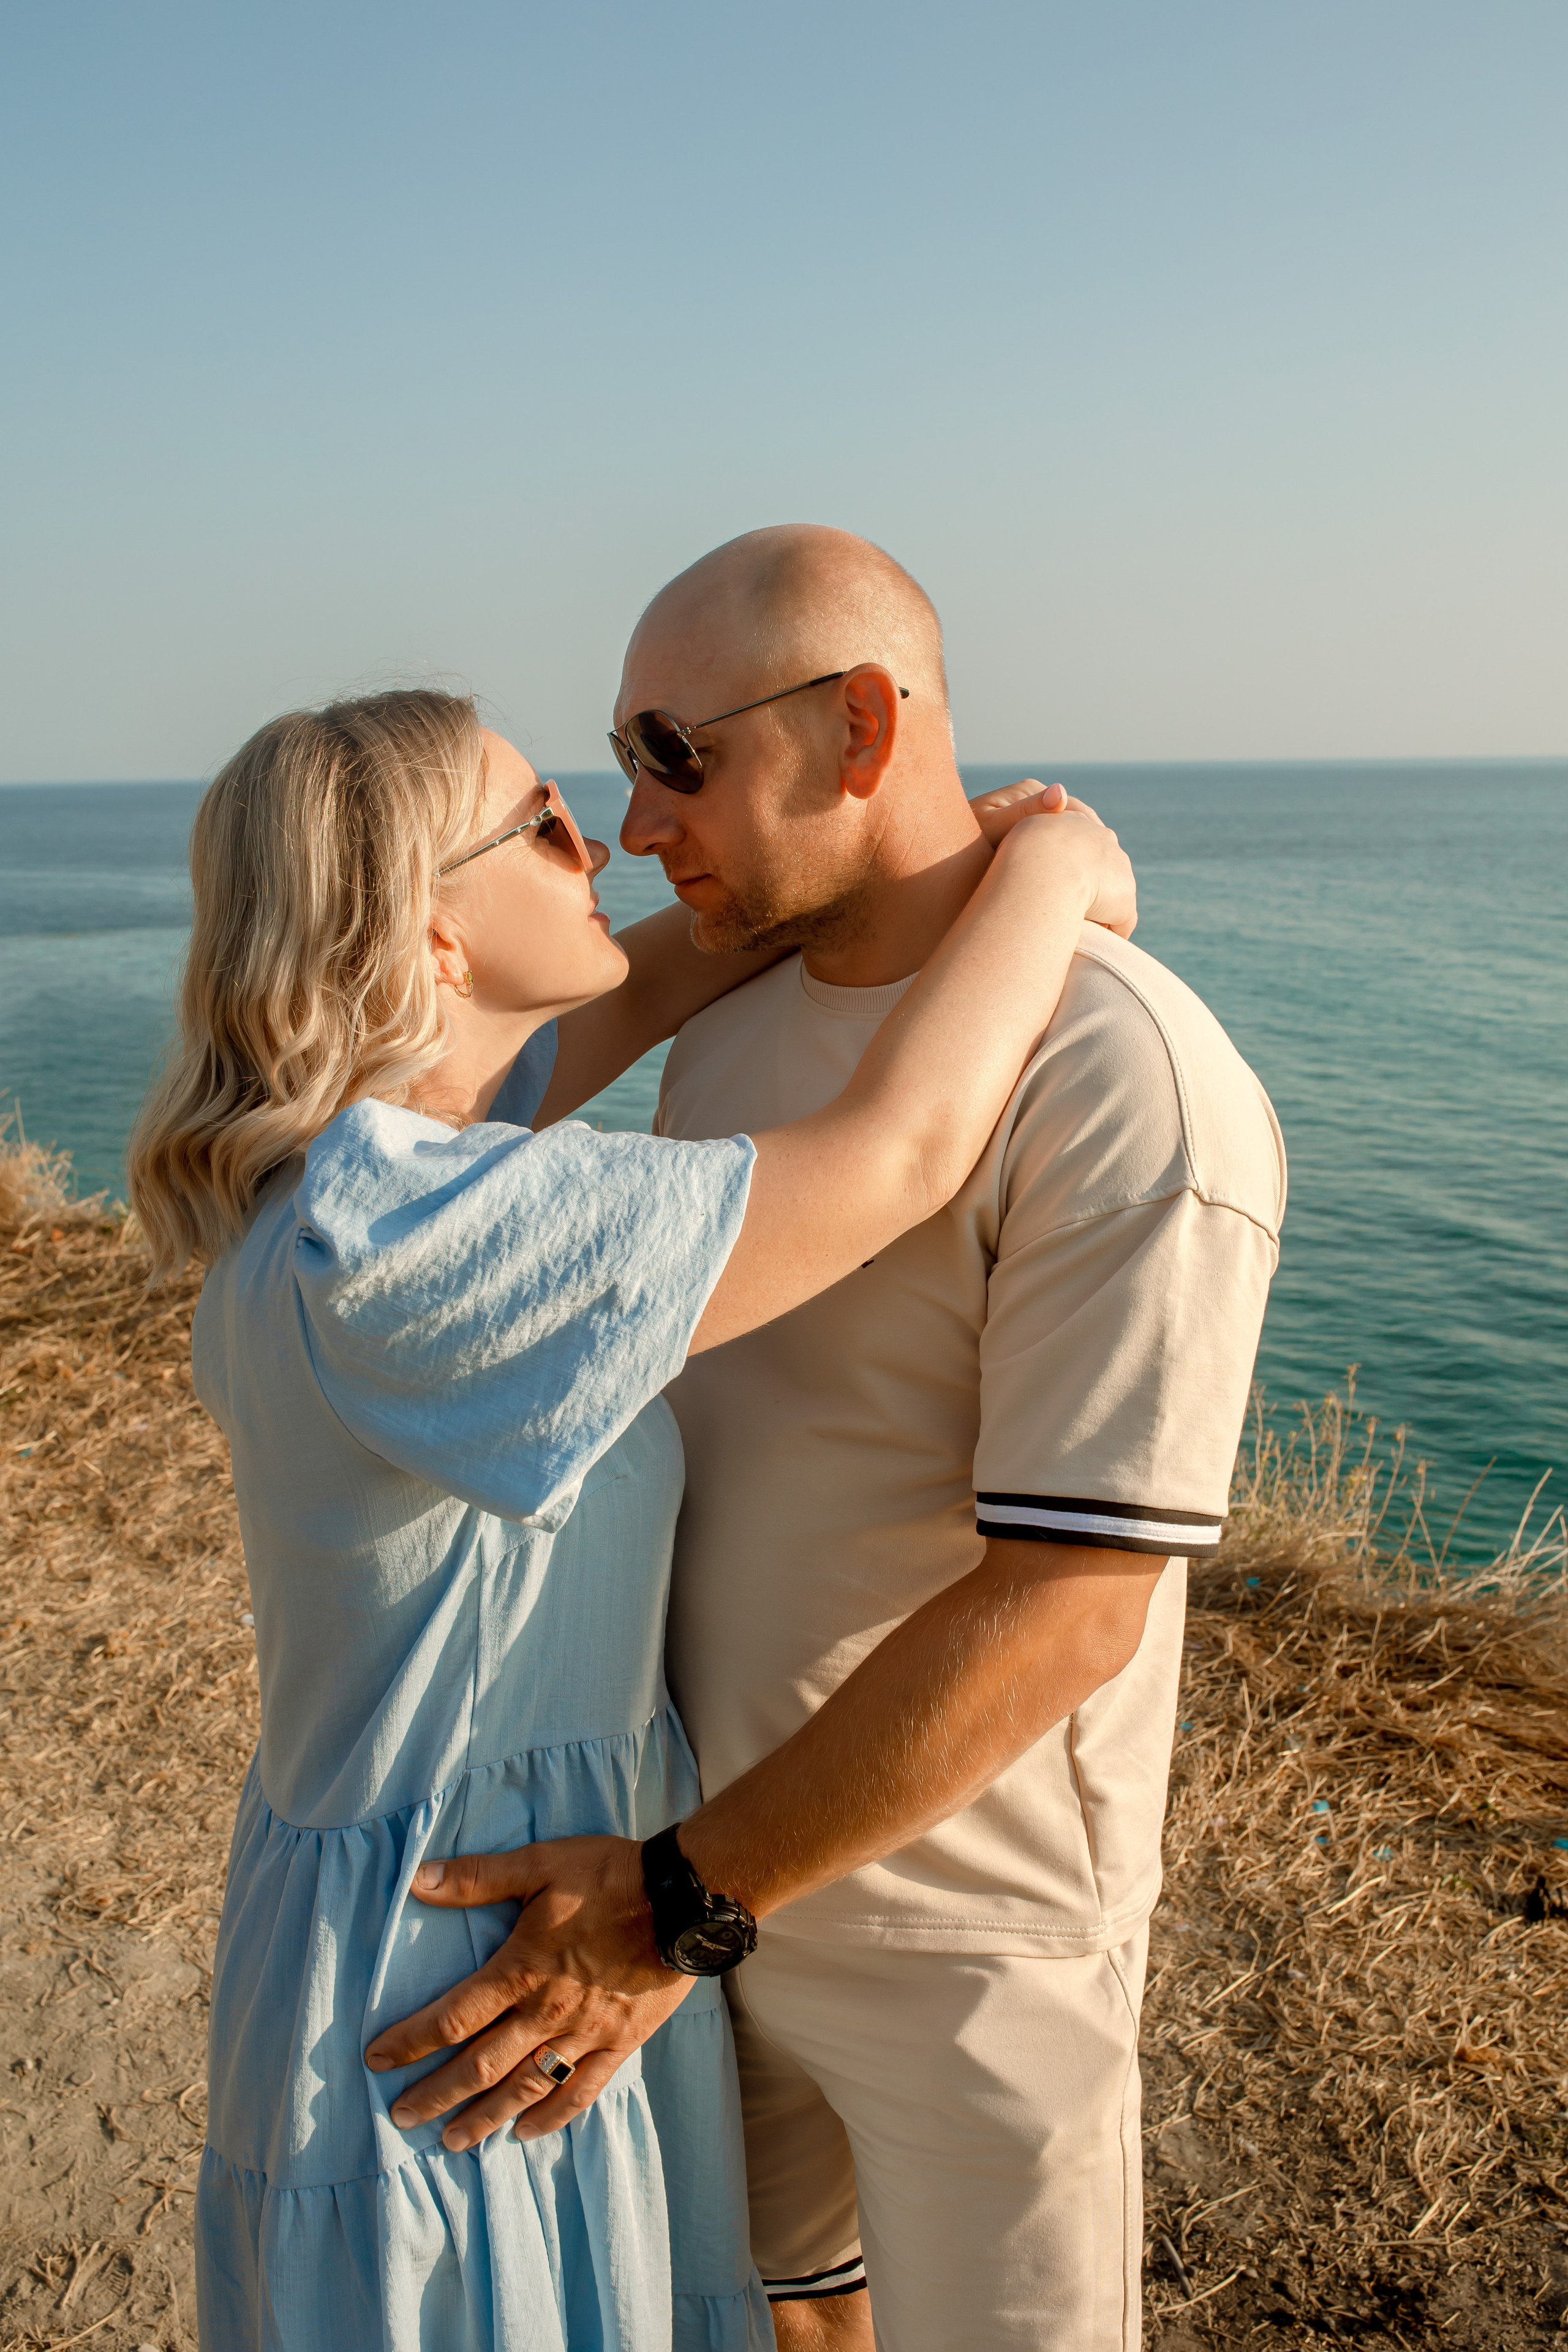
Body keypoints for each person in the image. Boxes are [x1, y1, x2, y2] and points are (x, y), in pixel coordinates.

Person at [126, 683, 1135, 2352]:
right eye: (541, 823)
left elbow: (663, 965)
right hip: (462, 1959)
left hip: (449, 1900)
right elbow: (900, 1152)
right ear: (432, 937)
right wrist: (1048, 872)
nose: (600, 841)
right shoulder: (420, 1244)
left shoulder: (353, 1183)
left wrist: (879, 864)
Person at [366, 532, 1287, 2351]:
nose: (634, 828)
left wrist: (676, 1904)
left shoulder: (1122, 1078)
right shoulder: (732, 1020)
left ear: (863, 726)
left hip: (958, 1947)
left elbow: (1073, 1606)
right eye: (613, 768)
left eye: (670, 754)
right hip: (695, 1892)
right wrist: (678, 1894)